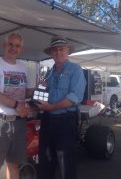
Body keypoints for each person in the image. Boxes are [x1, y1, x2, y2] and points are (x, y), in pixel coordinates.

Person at [0, 33, 35, 179]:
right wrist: (17, 104)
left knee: (14, 165)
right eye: (11, 44)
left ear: (21, 49)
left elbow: (28, 93)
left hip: (18, 122)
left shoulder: (24, 68)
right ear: (4, 45)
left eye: (17, 46)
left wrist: (40, 88)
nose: (14, 48)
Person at [37, 36, 86, 179]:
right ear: (51, 53)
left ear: (67, 51)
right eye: (55, 50)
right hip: (47, 119)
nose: (58, 52)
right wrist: (41, 89)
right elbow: (45, 95)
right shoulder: (49, 72)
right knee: (46, 158)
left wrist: (51, 107)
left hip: (66, 121)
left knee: (66, 160)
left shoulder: (75, 69)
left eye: (61, 49)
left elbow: (73, 98)